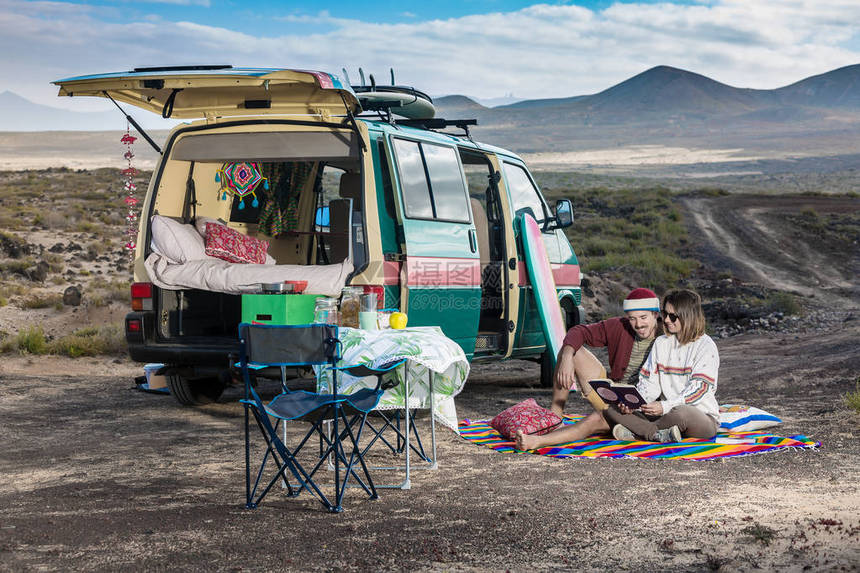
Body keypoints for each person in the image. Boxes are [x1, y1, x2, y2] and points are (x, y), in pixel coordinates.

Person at [516, 287, 662, 451]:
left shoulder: (667, 337)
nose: (638, 324)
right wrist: (566, 357)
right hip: (614, 395)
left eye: (643, 317)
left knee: (593, 421)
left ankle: (536, 441)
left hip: (642, 407)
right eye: (632, 319)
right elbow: (578, 331)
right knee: (570, 350)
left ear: (655, 314)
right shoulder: (619, 326)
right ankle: (555, 417)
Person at [607, 288, 720, 443]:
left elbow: (699, 390)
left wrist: (665, 406)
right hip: (664, 416)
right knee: (612, 409)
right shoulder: (661, 343)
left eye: (672, 316)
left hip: (699, 417)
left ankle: (641, 433)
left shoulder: (706, 346)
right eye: (665, 314)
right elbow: (649, 384)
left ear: (688, 316)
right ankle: (657, 434)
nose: (666, 320)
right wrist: (634, 404)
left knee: (681, 414)